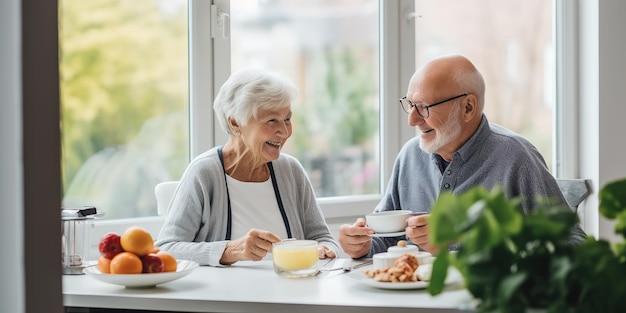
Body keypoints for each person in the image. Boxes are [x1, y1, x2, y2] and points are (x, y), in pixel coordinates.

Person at [338, 54, 587, 259]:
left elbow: (575, 247)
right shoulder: (409, 157)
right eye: (410, 104)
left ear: (468, 107)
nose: (411, 119)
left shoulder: (517, 158)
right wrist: (362, 245)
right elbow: (387, 240)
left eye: (423, 107)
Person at [155, 69, 338, 266]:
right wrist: (230, 251)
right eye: (272, 120)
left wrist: (325, 250)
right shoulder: (204, 172)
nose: (284, 132)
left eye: (287, 119)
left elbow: (323, 238)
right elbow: (166, 248)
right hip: (228, 295)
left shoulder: (291, 170)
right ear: (235, 123)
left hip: (291, 292)